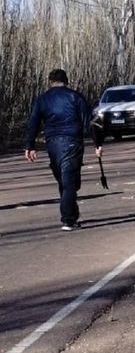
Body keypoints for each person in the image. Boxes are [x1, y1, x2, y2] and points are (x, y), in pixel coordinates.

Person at [24, 69, 103, 231]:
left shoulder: (42, 99)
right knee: (69, 182)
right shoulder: (75, 97)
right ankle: (68, 219)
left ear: (50, 82)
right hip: (72, 142)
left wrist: (30, 146)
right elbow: (89, 121)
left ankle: (70, 215)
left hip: (53, 144)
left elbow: (33, 123)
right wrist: (98, 144)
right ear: (66, 81)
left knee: (64, 180)